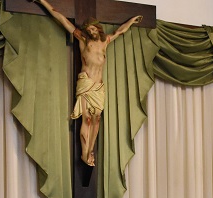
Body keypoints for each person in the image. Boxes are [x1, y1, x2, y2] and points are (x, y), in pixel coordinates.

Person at [35, 0, 143, 166]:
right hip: (86, 84)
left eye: (93, 29)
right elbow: (62, 19)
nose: (91, 31)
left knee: (97, 119)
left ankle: (90, 150)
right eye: (89, 29)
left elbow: (120, 31)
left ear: (98, 29)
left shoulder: (105, 41)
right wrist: (43, 1)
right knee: (86, 119)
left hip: (99, 86)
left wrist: (131, 21)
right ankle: (85, 155)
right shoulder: (83, 40)